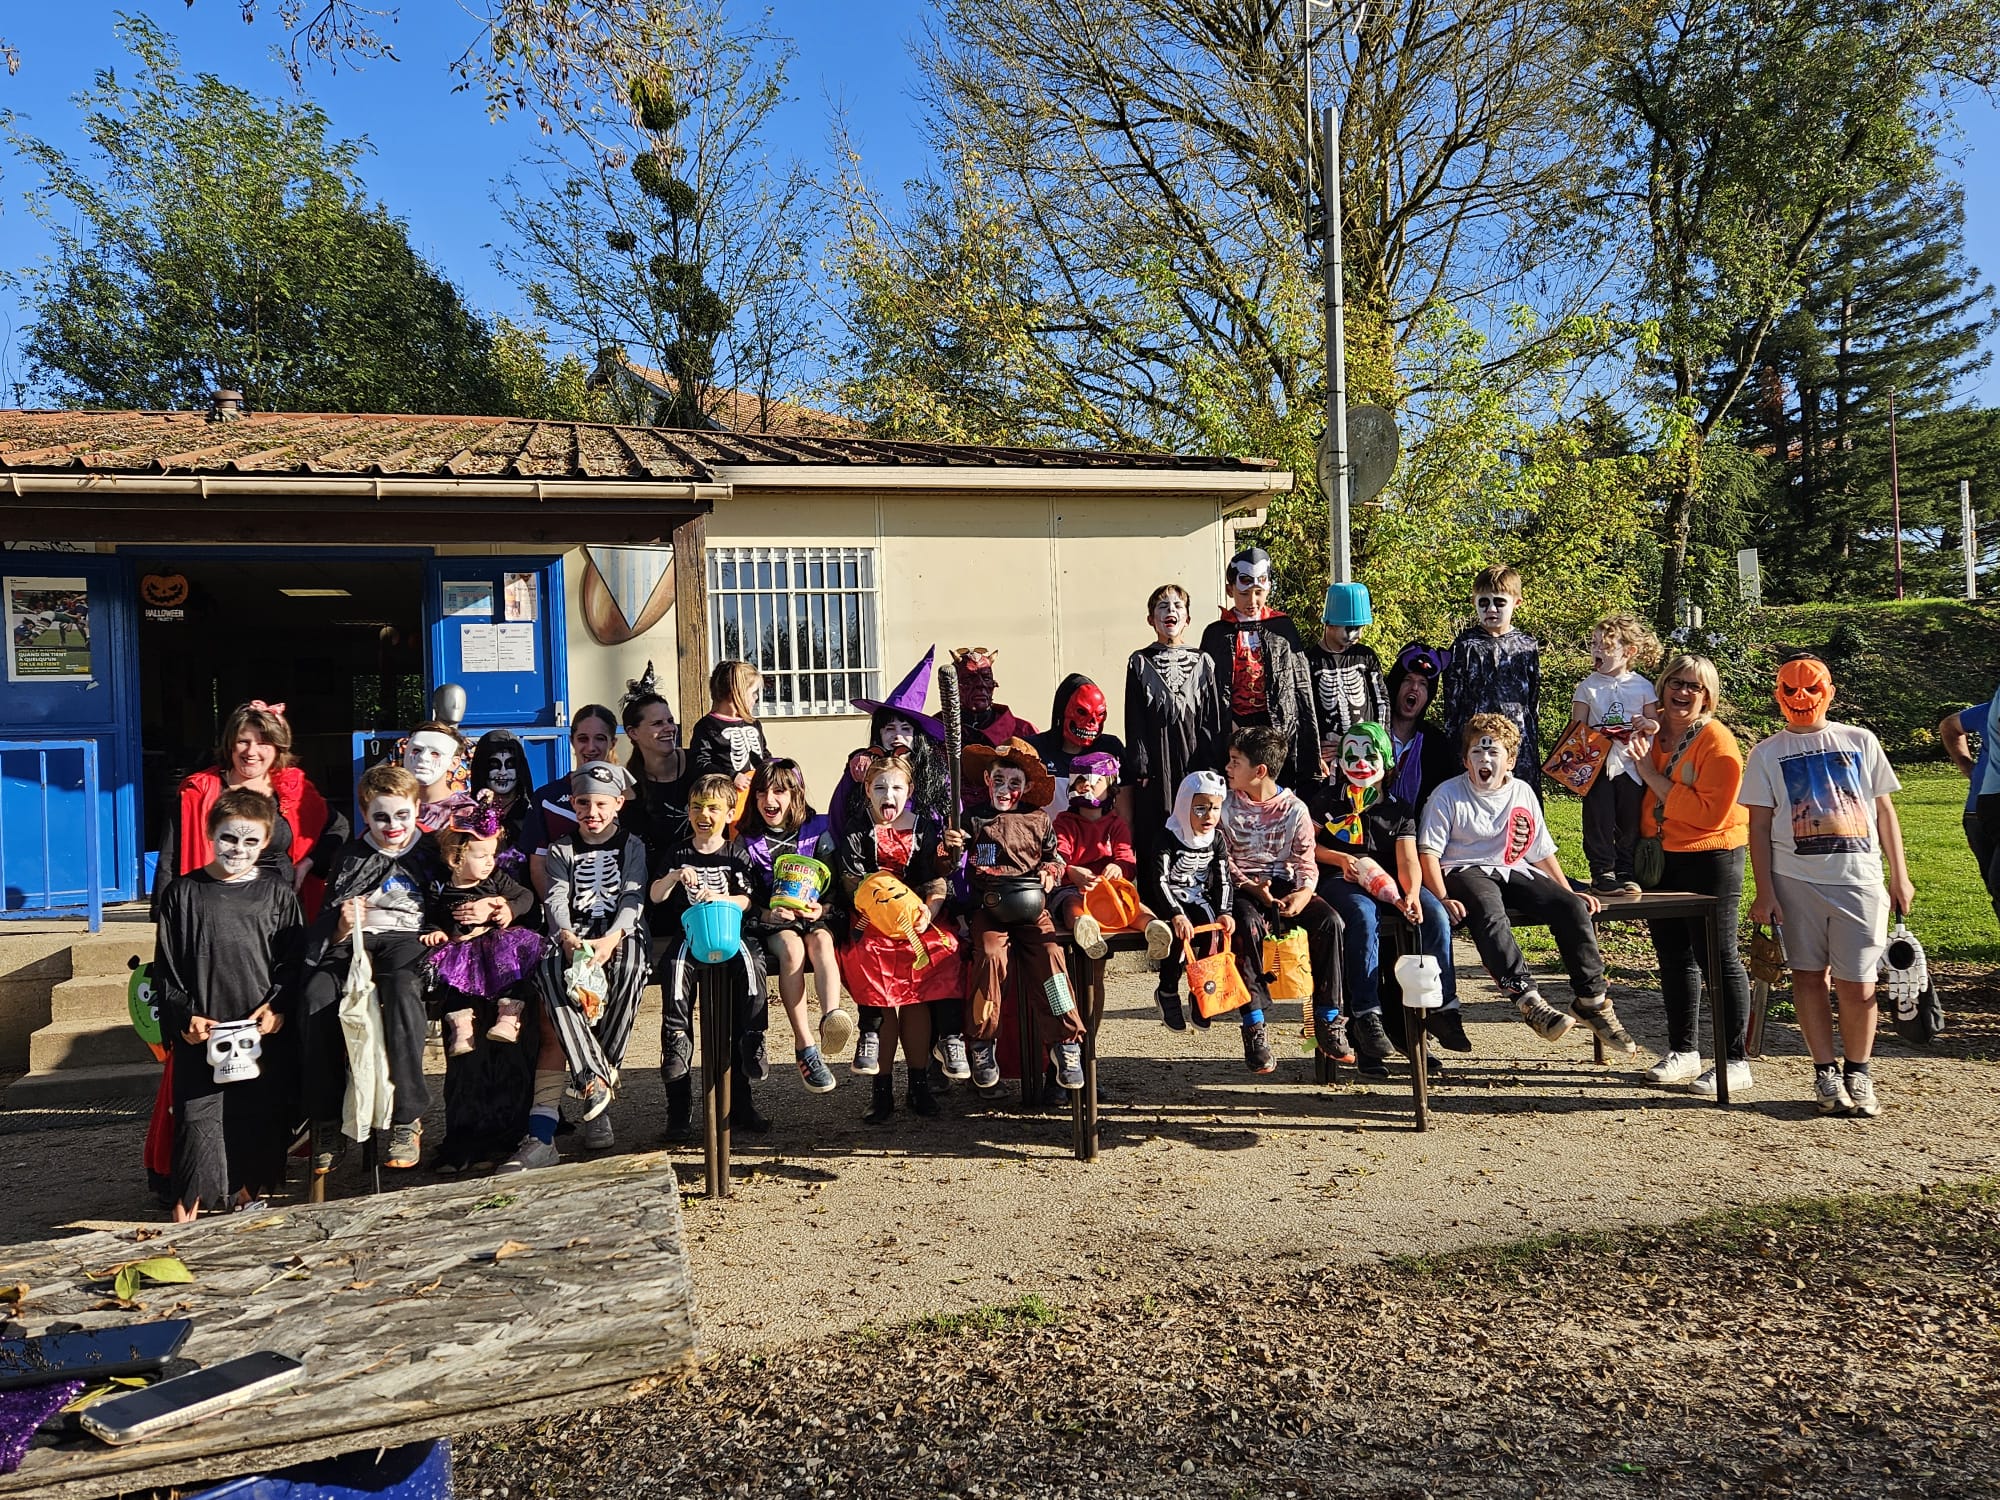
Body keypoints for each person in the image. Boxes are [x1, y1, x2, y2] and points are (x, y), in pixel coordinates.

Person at [1740, 654, 1913, 1118]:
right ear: (1778, 695)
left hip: (1860, 879)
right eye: (1790, 690)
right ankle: (1824, 1070)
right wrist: (1765, 891)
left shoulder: (1860, 741)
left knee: (1859, 984)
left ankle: (1859, 1070)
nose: (1801, 699)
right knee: (1808, 977)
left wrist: (1900, 874)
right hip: (1795, 881)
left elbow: (1883, 811)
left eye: (1811, 689)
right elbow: (1757, 827)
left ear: (1830, 692)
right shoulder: (1766, 753)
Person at [1418, 714, 1631, 1051]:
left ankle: (1592, 1000)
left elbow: (1540, 850)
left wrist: (1567, 890)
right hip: (1462, 869)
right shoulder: (1448, 794)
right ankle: (1527, 999)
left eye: (1494, 754)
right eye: (1476, 753)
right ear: (1465, 759)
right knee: (1488, 909)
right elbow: (1428, 852)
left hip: (1512, 867)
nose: (1484, 760)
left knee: (1571, 907)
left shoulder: (1522, 792)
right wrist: (1442, 897)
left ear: (1511, 761)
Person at [153, 789, 302, 1221]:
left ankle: (246, 1194)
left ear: (267, 840)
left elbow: (292, 961)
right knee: (197, 1119)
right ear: (209, 834)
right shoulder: (184, 893)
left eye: (250, 841)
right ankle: (189, 1207)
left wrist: (278, 1006)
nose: (239, 850)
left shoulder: (277, 894)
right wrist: (183, 1017)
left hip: (257, 1030)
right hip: (203, 1029)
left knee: (255, 1114)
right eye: (229, 839)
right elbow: (168, 966)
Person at [505, 761, 652, 1171]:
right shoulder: (561, 849)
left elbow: (632, 899)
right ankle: (594, 1077)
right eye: (583, 803)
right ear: (573, 804)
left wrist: (612, 939)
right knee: (551, 973)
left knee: (632, 967)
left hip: (619, 932)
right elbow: (555, 897)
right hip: (573, 930)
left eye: (601, 804)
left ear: (618, 804)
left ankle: (597, 1074)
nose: (593, 812)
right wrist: (567, 937)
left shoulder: (632, 845)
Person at [1307, 722, 1467, 1077]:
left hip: (1391, 882)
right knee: (1363, 917)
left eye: (1369, 754)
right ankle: (1366, 1016)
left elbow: (1408, 858)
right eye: (1352, 753)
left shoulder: (1399, 808)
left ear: (1386, 760)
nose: (1360, 761)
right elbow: (1307, 846)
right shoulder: (1327, 800)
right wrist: (1340, 859)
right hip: (1341, 881)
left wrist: (1410, 894)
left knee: (1434, 914)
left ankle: (1443, 1007)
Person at [1626, 653, 1752, 1096]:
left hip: (1711, 854)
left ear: (1708, 696)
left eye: (1694, 687)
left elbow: (1707, 813)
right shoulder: (1647, 729)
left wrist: (1648, 774)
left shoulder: (1718, 742)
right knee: (1673, 955)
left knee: (1718, 956)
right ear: (1661, 687)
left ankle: (1734, 1060)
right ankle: (1684, 1051)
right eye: (1675, 682)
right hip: (1662, 857)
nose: (1682, 693)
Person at [302, 763, 438, 1175]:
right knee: (316, 998)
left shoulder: (430, 853)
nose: (392, 825)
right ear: (365, 816)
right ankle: (326, 1119)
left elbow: (447, 902)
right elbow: (327, 921)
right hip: (354, 943)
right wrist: (342, 923)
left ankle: (406, 1116)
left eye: (401, 815)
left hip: (408, 941)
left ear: (417, 809)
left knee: (400, 990)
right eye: (381, 817)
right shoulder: (351, 856)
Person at [834, 753, 964, 1122]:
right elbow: (852, 880)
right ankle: (881, 1088)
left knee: (938, 962)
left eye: (895, 787)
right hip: (871, 920)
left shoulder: (924, 829)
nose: (887, 794)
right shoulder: (859, 830)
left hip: (917, 921)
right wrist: (880, 908)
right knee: (878, 978)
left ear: (909, 790)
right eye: (879, 787)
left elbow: (935, 878)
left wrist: (929, 910)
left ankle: (920, 1084)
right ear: (867, 791)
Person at [952, 739, 1082, 1093]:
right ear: (986, 779)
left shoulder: (1038, 819)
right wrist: (950, 849)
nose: (1006, 790)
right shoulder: (972, 817)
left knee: (1052, 957)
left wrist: (1051, 873)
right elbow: (952, 862)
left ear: (1024, 787)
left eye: (1014, 783)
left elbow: (1055, 859)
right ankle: (981, 1042)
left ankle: (1065, 1042)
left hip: (1031, 907)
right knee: (991, 957)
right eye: (999, 780)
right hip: (990, 908)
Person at [1219, 725, 1347, 1074]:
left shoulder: (1295, 810)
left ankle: (1328, 1018)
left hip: (1285, 885)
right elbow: (1223, 860)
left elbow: (1307, 861)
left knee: (1330, 922)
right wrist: (1250, 887)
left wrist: (1304, 893)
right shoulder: (1226, 807)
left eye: (1235, 762)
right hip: (1243, 889)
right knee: (1245, 925)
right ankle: (1254, 1024)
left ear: (1259, 771)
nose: (1228, 768)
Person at [653, 773, 771, 1139]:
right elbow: (655, 896)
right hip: (691, 933)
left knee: (754, 966)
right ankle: (676, 1050)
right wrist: (674, 876)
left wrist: (722, 899)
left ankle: (753, 1038)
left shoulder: (736, 853)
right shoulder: (678, 852)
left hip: (729, 931)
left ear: (729, 813)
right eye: (697, 807)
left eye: (713, 808)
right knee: (673, 970)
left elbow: (749, 898)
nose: (704, 814)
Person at [154, 699, 343, 918]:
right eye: (243, 741)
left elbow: (337, 828)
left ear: (278, 748)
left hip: (282, 910)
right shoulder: (198, 791)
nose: (251, 751)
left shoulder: (296, 789)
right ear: (230, 745)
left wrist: (309, 863)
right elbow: (169, 855)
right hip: (216, 910)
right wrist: (164, 912)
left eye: (263, 743)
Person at [739, 758, 852, 1095]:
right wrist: (765, 913)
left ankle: (832, 1016)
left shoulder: (818, 829)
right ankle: (805, 1046)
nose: (768, 800)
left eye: (778, 791)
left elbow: (837, 881)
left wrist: (825, 906)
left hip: (815, 917)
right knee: (792, 948)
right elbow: (744, 892)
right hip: (775, 924)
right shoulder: (747, 840)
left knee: (820, 943)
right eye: (761, 792)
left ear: (796, 794)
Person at [421, 804, 540, 1057]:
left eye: (493, 855)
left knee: (512, 971)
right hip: (459, 948)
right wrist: (435, 931)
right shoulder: (439, 886)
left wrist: (509, 908)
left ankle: (508, 1018)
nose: (490, 862)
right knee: (454, 984)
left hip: (493, 943)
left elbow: (525, 896)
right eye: (481, 856)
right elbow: (430, 915)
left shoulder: (495, 879)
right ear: (456, 858)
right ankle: (462, 1030)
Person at [1198, 547, 1317, 787]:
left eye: (1258, 593)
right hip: (1233, 725)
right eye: (1245, 594)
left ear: (1269, 588)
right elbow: (1207, 690)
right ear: (1230, 590)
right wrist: (1225, 723)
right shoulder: (1216, 633)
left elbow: (1301, 686)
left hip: (1276, 725)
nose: (1252, 601)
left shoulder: (1282, 627)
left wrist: (1310, 749)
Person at [1124, 584, 1224, 854]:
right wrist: (1140, 765)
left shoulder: (1204, 661)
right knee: (1156, 822)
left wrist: (1210, 764)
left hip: (1194, 756)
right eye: (1163, 606)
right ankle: (1155, 887)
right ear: (1151, 619)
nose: (1171, 611)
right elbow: (1134, 718)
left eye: (1178, 606)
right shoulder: (1140, 661)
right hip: (1156, 761)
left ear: (1188, 619)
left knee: (1195, 819)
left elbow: (1211, 719)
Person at [1569, 612, 1662, 895]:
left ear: (1628, 652)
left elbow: (1655, 723)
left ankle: (1625, 869)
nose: (1597, 650)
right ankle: (1602, 871)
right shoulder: (1588, 687)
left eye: (1605, 646)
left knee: (1629, 818)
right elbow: (1575, 729)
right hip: (1598, 764)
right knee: (1599, 818)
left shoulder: (1643, 685)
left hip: (1632, 764)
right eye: (1594, 643)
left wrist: (1649, 725)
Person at [1138, 771, 1234, 1030]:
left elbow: (1224, 878)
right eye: (1200, 808)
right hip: (1169, 899)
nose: (1208, 816)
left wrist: (1225, 911)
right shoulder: (1168, 838)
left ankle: (1202, 989)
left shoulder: (1216, 839)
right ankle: (1168, 989)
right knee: (1181, 935)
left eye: (1215, 808)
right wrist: (1175, 913)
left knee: (1213, 932)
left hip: (1198, 895)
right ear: (1184, 806)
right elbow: (1159, 880)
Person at [1439, 565, 1543, 793]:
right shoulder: (1464, 645)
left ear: (1516, 602)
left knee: (1519, 799)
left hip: (1518, 741)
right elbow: (1452, 702)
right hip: (1475, 741)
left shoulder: (1526, 646)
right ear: (1474, 602)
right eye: (1483, 602)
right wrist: (1456, 745)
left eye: (1499, 602)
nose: (1491, 608)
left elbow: (1532, 701)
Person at [1050, 751, 1162, 961]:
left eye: (1096, 780)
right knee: (1070, 904)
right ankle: (1085, 928)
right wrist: (1071, 871)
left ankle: (1153, 928)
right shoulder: (1063, 823)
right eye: (1080, 780)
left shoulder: (1115, 825)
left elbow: (1127, 860)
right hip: (1072, 887)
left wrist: (1119, 867)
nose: (1087, 785)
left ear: (1110, 786)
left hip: (1108, 890)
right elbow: (1059, 855)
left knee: (1132, 904)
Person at [525, 704, 620, 899]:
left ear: (613, 743)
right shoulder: (547, 798)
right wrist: (560, 919)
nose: (591, 747)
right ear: (571, 741)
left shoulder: (628, 796)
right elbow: (538, 866)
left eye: (600, 739)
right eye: (583, 739)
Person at [1938, 684, 2000, 923]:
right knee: (1993, 883)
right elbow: (1949, 726)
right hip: (1978, 811)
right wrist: (1966, 765)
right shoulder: (1987, 711)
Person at [1032, 674, 1130, 820]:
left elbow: (1124, 814)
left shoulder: (1111, 748)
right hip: (1049, 839)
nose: (1093, 722)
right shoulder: (1034, 749)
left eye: (1100, 714)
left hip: (1099, 840)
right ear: (1062, 710)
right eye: (1082, 712)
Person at [1308, 583, 1390, 752]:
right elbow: (1305, 711)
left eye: (1361, 628)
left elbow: (1381, 702)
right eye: (1351, 628)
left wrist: (1381, 743)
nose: (1358, 635)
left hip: (1367, 751)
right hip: (1329, 756)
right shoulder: (1310, 661)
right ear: (1330, 624)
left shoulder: (1365, 657)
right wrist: (1313, 749)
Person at [621, 672, 690, 860]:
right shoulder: (629, 788)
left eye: (669, 721)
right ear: (633, 733)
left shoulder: (699, 764)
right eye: (657, 724)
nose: (669, 728)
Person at [1383, 644, 1456, 810]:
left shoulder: (1437, 746)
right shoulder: (1371, 734)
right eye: (1408, 680)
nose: (1414, 688)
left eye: (1423, 683)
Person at [688, 660, 771, 802]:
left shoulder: (753, 723)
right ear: (736, 693)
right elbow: (700, 763)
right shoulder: (707, 726)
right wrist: (731, 775)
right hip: (726, 800)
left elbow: (763, 754)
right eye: (753, 693)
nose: (756, 698)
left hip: (758, 798)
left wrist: (773, 767)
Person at [469, 729, 534, 877]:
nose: (503, 772)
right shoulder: (468, 813)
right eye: (494, 765)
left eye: (510, 765)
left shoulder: (533, 813)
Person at [949, 647, 1038, 746]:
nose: (980, 684)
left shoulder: (1025, 732)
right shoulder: (936, 731)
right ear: (954, 686)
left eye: (986, 678)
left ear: (994, 684)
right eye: (969, 678)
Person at [402, 721, 470, 834]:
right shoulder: (391, 805)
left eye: (435, 753)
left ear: (453, 764)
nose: (423, 757)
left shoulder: (466, 813)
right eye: (416, 750)